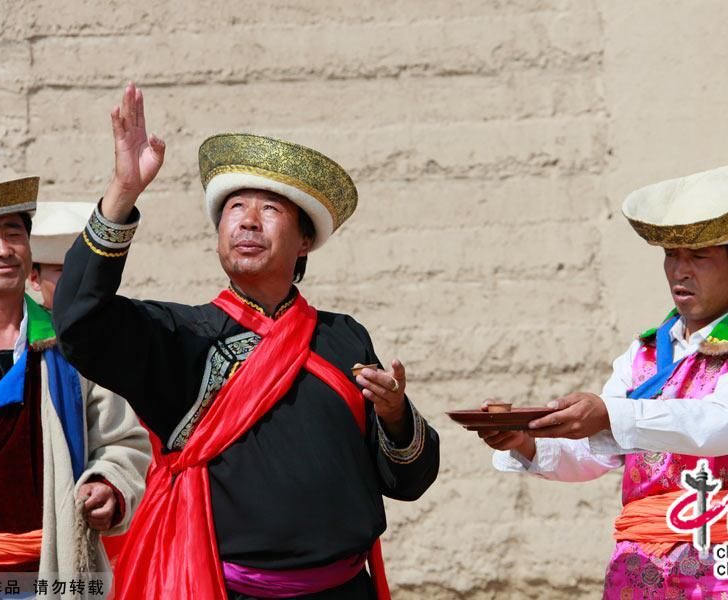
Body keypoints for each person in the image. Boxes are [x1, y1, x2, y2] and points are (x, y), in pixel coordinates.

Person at [52, 83, 439, 600]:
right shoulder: (181, 337)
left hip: (345, 589)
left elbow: (409, 482)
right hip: (220, 587)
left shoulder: (343, 338)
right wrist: (123, 193)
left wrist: (393, 413)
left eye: (271, 210)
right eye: (235, 207)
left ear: (305, 241)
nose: (249, 221)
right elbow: (79, 320)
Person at [480, 162, 728, 599]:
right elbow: (596, 453)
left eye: (699, 256)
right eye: (672, 254)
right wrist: (525, 440)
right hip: (639, 568)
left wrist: (608, 413)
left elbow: (720, 424)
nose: (679, 271)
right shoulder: (647, 353)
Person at [0, 178, 150, 595]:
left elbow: (124, 441)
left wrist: (109, 485)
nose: (4, 249)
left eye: (15, 234)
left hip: (55, 568)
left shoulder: (71, 347)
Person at [29, 200, 147, 567]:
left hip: (92, 533)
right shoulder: (18, 340)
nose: (73, 285)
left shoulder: (121, 337)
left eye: (82, 273)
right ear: (33, 277)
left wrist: (109, 484)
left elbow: (123, 441)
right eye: (59, 272)